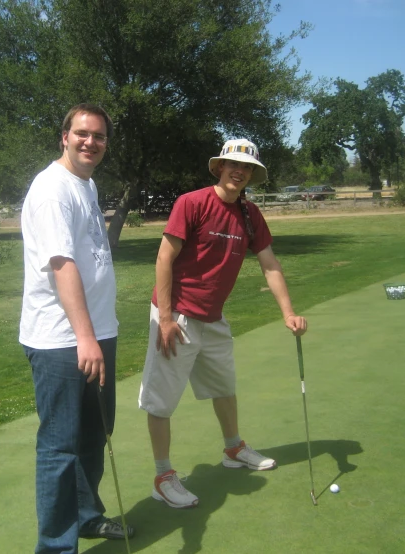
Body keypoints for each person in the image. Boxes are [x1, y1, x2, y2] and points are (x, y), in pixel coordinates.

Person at [138, 138, 308, 509]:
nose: (239, 171)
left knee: (224, 388)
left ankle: (233, 450)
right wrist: (165, 318)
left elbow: (270, 264)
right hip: (177, 315)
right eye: (233, 164)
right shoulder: (192, 203)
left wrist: (288, 312)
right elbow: (164, 258)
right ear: (219, 167)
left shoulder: (249, 214)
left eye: (246, 167)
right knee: (162, 402)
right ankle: (163, 476)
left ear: (252, 174)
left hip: (213, 318)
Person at [19, 103, 134, 553]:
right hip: (62, 340)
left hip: (96, 333)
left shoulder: (85, 183)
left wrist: (97, 334)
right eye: (82, 133)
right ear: (64, 136)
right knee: (59, 448)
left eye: (100, 136)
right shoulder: (52, 190)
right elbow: (62, 264)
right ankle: (55, 546)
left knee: (93, 435)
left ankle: (87, 517)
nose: (91, 142)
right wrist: (85, 337)